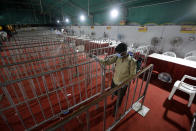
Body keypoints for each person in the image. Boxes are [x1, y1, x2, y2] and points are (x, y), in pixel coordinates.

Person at [96, 43, 137, 116]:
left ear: (124, 52)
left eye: (118, 53)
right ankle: (115, 99)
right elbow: (106, 62)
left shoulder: (132, 61)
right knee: (114, 93)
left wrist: (126, 83)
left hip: (123, 84)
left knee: (120, 98)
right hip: (115, 80)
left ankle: (116, 108)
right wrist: (97, 58)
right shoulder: (117, 57)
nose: (117, 54)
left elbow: (132, 75)